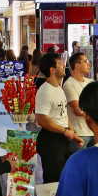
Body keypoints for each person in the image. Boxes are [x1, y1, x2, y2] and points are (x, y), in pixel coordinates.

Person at [34, 53, 83, 185]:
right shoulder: (45, 90)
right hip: (51, 140)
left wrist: (72, 132)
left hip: (62, 138)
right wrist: (64, 131)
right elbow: (42, 119)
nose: (64, 67)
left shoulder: (59, 88)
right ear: (52, 70)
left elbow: (62, 114)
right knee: (53, 181)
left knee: (65, 179)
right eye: (61, 65)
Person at [63, 52, 95, 148]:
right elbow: (77, 110)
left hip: (93, 131)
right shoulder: (69, 84)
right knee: (81, 162)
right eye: (85, 61)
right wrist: (96, 114)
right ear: (76, 65)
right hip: (79, 133)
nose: (89, 64)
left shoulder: (91, 82)